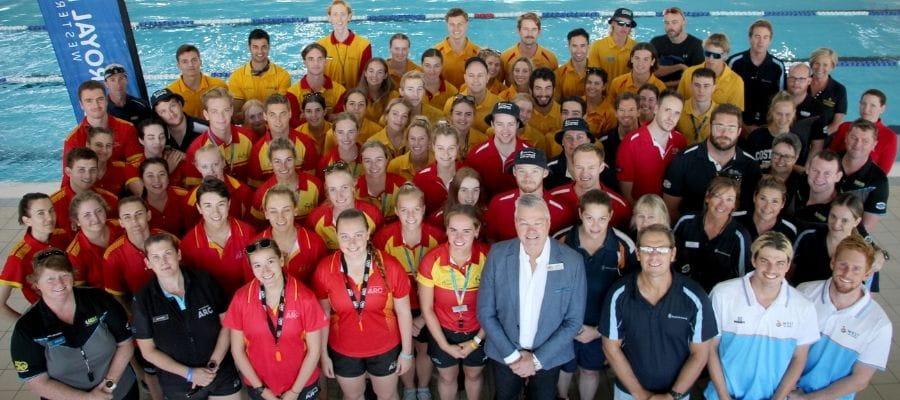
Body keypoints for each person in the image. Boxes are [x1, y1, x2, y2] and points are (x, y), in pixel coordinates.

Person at [477, 194, 586, 399]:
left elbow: (573, 320)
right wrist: (512, 356)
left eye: (537, 222)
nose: (531, 230)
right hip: (505, 354)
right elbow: (485, 311)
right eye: (524, 222)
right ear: (516, 223)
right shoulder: (498, 255)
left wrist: (536, 360)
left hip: (548, 357)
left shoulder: (572, 261)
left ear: (549, 222)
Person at [601, 223, 716, 400]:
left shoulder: (695, 297)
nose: (654, 255)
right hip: (629, 392)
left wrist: (672, 396)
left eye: (662, 249)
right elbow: (611, 348)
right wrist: (639, 394)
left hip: (677, 393)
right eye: (647, 248)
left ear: (673, 254)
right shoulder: (619, 293)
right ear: (638, 254)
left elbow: (700, 353)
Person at [313, 208, 414, 400]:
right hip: (344, 349)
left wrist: (407, 353)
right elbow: (323, 317)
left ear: (368, 233)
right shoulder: (325, 269)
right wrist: (323, 354)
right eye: (345, 236)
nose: (352, 243)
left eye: (358, 235)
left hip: (385, 347)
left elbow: (403, 312)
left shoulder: (389, 265)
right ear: (336, 235)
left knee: (388, 396)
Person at [705, 232, 820, 400]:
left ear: (788, 265)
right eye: (764, 261)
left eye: (780, 263)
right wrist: (724, 396)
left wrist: (778, 398)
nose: (771, 270)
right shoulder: (723, 294)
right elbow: (710, 348)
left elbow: (799, 358)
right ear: (753, 261)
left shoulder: (803, 306)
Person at [11, 248, 138, 399]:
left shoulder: (99, 300)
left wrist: (108, 385)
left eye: (64, 275)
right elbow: (37, 382)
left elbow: (125, 343)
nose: (59, 283)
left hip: (119, 388)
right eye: (50, 278)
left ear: (73, 276)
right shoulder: (27, 328)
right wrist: (86, 398)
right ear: (36, 283)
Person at [132, 233, 242, 400]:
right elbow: (148, 351)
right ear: (148, 263)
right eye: (156, 257)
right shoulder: (143, 299)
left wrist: (213, 364)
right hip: (179, 382)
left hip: (220, 371)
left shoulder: (205, 281)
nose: (163, 262)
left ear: (179, 254)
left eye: (168, 253)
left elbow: (227, 324)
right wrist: (190, 374)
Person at [554, 190, 637, 400]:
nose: (595, 225)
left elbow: (630, 295)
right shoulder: (561, 240)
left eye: (602, 219)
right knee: (564, 368)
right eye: (590, 218)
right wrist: (566, 326)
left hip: (600, 327)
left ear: (610, 216)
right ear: (580, 213)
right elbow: (548, 289)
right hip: (564, 325)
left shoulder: (624, 246)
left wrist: (600, 330)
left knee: (590, 370)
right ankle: (561, 396)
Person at [226, 238, 328, 400]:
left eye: (270, 261)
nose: (265, 270)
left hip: (302, 384)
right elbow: (237, 351)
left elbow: (314, 351)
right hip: (260, 384)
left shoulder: (305, 298)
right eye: (257, 265)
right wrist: (262, 390)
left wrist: (294, 393)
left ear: (281, 260)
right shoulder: (240, 298)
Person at [794, 235, 893, 399]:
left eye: (856, 269)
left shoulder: (879, 324)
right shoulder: (804, 293)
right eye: (843, 265)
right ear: (833, 263)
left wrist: (806, 399)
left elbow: (860, 379)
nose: (847, 273)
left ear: (867, 274)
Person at [372, 184, 447, 399]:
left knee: (422, 349)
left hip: (428, 307)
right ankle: (409, 388)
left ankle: (422, 387)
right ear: (396, 211)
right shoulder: (383, 238)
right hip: (396, 308)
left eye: (416, 209)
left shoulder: (438, 236)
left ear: (424, 209)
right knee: (403, 351)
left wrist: (424, 317)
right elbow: (380, 280)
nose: (410, 215)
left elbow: (444, 284)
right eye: (404, 210)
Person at [418, 204, 489, 400]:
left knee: (473, 374)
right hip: (443, 332)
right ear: (446, 230)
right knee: (447, 377)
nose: (459, 237)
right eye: (453, 230)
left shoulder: (488, 257)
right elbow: (427, 308)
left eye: (466, 231)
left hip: (478, 331)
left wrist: (475, 342)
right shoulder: (431, 260)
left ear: (476, 231)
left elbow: (494, 308)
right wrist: (445, 345)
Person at [663, 103, 761, 219]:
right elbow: (670, 209)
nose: (724, 134)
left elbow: (753, 210)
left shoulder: (751, 166)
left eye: (731, 128)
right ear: (710, 127)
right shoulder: (684, 160)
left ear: (739, 132)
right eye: (719, 127)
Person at [673, 176, 753, 292]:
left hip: (719, 298)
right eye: (717, 196)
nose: (722, 204)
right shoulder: (686, 221)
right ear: (707, 197)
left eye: (729, 199)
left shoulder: (740, 236)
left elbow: (744, 278)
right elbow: (667, 255)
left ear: (734, 205)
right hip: (681, 291)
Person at [181, 177, 257, 296]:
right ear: (199, 208)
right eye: (208, 206)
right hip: (211, 305)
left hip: (246, 300)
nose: (215, 212)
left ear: (229, 204)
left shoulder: (247, 233)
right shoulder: (188, 244)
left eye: (220, 204)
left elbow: (256, 276)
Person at [0, 193, 70, 319]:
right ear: (27, 220)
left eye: (51, 211)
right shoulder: (19, 257)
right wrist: (29, 328)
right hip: (49, 316)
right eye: (40, 213)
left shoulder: (62, 235)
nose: (49, 218)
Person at [485, 148, 575, 242]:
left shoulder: (562, 210)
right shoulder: (498, 204)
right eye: (522, 171)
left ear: (545, 173)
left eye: (534, 171)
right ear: (515, 172)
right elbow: (491, 241)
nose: (527, 177)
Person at [617, 91, 687, 205]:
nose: (671, 117)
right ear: (656, 109)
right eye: (667, 110)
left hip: (670, 214)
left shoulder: (680, 141)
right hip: (642, 215)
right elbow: (627, 195)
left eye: (677, 113)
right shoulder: (630, 143)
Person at [63, 80, 142, 176]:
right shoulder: (73, 139)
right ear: (81, 105)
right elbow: (68, 178)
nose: (96, 105)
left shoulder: (127, 128)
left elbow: (137, 164)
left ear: (106, 100)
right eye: (89, 101)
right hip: (91, 186)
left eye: (100, 99)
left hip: (124, 183)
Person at [791, 193, 872, 286]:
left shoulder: (862, 252)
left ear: (856, 222)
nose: (836, 224)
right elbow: (789, 269)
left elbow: (864, 289)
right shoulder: (808, 236)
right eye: (833, 216)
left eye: (844, 220)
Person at [254, 185, 328, 284]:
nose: (280, 217)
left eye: (286, 210)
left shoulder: (316, 243)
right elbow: (253, 287)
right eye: (273, 211)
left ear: (295, 210)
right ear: (266, 214)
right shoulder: (254, 247)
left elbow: (322, 283)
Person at [102, 197, 167, 309]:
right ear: (121, 222)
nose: (134, 221)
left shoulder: (168, 240)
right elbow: (117, 296)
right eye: (127, 217)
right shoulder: (111, 256)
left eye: (139, 214)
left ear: (148, 215)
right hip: (142, 311)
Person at [184, 88, 255, 186]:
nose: (221, 117)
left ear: (231, 111)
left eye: (225, 110)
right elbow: (195, 189)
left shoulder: (249, 137)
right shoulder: (196, 148)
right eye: (214, 111)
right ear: (206, 115)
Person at [306, 160, 384, 249]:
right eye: (333, 189)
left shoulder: (372, 213)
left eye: (344, 187)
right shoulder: (315, 218)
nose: (339, 195)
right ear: (327, 190)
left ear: (354, 184)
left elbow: (379, 244)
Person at [550, 143, 631, 229]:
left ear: (601, 167)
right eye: (579, 167)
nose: (585, 174)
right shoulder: (551, 198)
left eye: (591, 167)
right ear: (572, 167)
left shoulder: (620, 207)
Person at [247, 94, 320, 188]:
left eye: (283, 114)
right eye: (272, 115)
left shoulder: (306, 143)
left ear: (290, 113)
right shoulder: (257, 150)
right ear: (265, 116)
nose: (278, 120)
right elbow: (256, 189)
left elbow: (311, 184)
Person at [727, 20, 787, 129]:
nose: (761, 41)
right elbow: (726, 94)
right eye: (757, 36)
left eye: (765, 37)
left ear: (770, 40)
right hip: (738, 123)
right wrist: (741, 125)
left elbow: (781, 99)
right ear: (750, 38)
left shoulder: (777, 66)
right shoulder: (734, 62)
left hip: (766, 124)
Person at [250, 137, 323, 225]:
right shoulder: (261, 194)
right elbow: (259, 227)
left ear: (295, 159)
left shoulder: (316, 185)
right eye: (277, 161)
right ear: (270, 163)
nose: (283, 167)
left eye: (288, 160)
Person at [466, 101, 531, 198]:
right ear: (492, 124)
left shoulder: (530, 154)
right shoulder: (476, 155)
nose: (505, 129)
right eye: (500, 124)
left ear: (517, 124)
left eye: (510, 124)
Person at [52, 148, 120, 239]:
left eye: (92, 170)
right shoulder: (53, 205)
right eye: (81, 170)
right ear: (68, 172)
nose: (88, 176)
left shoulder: (110, 200)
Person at [836, 119, 889, 232]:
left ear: (874, 145)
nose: (858, 144)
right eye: (854, 138)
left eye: (865, 141)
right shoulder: (829, 162)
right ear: (846, 137)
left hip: (849, 237)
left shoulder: (878, 180)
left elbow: (867, 227)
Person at [828, 89, 897, 174]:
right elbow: (830, 154)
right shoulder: (845, 127)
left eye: (873, 105)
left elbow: (883, 172)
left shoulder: (889, 136)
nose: (866, 109)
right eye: (863, 104)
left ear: (882, 108)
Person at [63, 191, 121, 290]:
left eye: (99, 211)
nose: (95, 218)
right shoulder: (74, 254)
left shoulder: (121, 226)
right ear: (77, 221)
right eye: (87, 215)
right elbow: (81, 290)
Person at [742, 91, 816, 168]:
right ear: (771, 111)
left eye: (788, 114)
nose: (783, 119)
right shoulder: (756, 136)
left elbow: (800, 170)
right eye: (779, 114)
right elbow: (746, 167)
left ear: (794, 113)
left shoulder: (798, 140)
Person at [227, 29, 291, 115]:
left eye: (263, 47)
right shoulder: (236, 77)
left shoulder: (283, 76)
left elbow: (281, 109)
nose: (260, 51)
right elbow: (236, 113)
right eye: (255, 47)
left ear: (269, 47)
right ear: (249, 48)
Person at [676, 33, 745, 111]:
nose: (710, 59)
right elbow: (678, 103)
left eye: (716, 56)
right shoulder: (689, 73)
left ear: (725, 56)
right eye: (708, 54)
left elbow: (735, 115)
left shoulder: (736, 82)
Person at [187, 143, 254, 222]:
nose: (211, 171)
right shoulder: (190, 200)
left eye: (215, 164)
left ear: (223, 162)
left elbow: (250, 225)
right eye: (204, 167)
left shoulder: (243, 192)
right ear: (197, 167)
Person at [317, 0, 372, 89]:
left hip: (355, 97)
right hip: (330, 97)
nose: (339, 19)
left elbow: (366, 78)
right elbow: (318, 75)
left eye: (343, 14)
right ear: (329, 17)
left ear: (349, 16)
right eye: (335, 14)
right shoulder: (320, 45)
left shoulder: (364, 45)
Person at [166, 44, 228, 118]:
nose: (190, 65)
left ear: (200, 62)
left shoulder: (218, 86)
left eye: (194, 60)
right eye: (185, 61)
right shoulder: (171, 92)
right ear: (178, 66)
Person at [650, 7, 705, 89]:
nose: (670, 27)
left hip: (684, 90)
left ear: (684, 22)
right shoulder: (656, 42)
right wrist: (679, 67)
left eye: (674, 22)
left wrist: (664, 85)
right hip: (658, 90)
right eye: (667, 23)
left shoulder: (697, 46)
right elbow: (651, 71)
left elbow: (696, 80)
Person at [287, 43, 346, 118]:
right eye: (311, 59)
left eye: (320, 58)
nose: (316, 63)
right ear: (304, 62)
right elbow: (293, 123)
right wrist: (329, 116)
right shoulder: (293, 93)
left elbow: (341, 122)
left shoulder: (340, 91)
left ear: (325, 61)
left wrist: (305, 116)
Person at [443, 57, 500, 134]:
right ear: (465, 78)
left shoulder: (499, 105)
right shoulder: (451, 103)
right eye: (471, 75)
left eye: (480, 75)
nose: (475, 79)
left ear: (487, 77)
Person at [788, 150, 844, 230]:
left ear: (838, 177)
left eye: (827, 173)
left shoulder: (841, 208)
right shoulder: (799, 182)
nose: (819, 177)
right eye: (815, 170)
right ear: (807, 169)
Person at [413, 122, 460, 212]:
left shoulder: (468, 174)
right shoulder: (420, 178)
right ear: (433, 147)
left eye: (451, 148)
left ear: (457, 147)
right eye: (440, 148)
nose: (446, 154)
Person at [140, 157, 193, 237]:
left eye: (161, 174)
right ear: (142, 181)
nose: (157, 180)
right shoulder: (138, 205)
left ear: (168, 178)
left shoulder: (184, 196)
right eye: (150, 176)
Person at [736, 176, 798, 242]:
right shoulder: (734, 219)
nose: (767, 207)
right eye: (763, 199)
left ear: (782, 204)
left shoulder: (789, 231)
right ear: (755, 197)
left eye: (775, 201)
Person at [501, 12, 558, 82]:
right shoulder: (505, 57)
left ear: (539, 32)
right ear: (518, 31)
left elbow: (555, 87)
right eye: (525, 29)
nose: (529, 33)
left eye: (534, 29)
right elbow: (497, 87)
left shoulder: (550, 58)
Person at [86, 127, 142, 197]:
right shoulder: (79, 171)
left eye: (108, 146)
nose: (104, 150)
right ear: (88, 145)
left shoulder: (123, 168)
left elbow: (139, 193)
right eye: (99, 145)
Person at [357, 140, 407, 219]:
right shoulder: (354, 188)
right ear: (362, 162)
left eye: (379, 160)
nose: (374, 165)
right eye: (368, 161)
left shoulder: (401, 185)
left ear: (387, 160)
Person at [433, 8, 481, 88]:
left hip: (470, 99)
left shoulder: (477, 53)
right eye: (452, 24)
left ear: (466, 24)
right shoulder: (436, 52)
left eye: (460, 24)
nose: (456, 28)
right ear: (447, 25)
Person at [150, 88, 209, 153]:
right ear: (158, 115)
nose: (171, 113)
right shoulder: (157, 135)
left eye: (172, 106)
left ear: (180, 104)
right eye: (163, 111)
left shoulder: (205, 129)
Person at [136, 117, 188, 186]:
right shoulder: (134, 166)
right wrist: (165, 171)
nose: (158, 142)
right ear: (141, 140)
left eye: (161, 137)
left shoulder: (177, 159)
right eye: (151, 138)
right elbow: (140, 194)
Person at [588, 8, 637, 81]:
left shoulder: (636, 47)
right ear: (613, 23)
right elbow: (593, 75)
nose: (624, 27)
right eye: (620, 23)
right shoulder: (597, 46)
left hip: (628, 91)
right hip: (604, 91)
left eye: (628, 25)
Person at [807, 48, 847, 135]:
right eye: (817, 63)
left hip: (824, 136)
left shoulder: (839, 90)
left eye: (825, 65)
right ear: (811, 64)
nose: (820, 68)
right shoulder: (802, 83)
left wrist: (819, 136)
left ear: (832, 66)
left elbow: (836, 124)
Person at [675, 67, 718, 145]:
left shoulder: (721, 113)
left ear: (714, 88)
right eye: (697, 85)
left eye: (706, 86)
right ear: (691, 85)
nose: (701, 90)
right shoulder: (678, 108)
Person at [598, 92, 640, 168]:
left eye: (631, 110)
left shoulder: (651, 139)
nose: (626, 114)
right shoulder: (604, 142)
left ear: (638, 112)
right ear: (615, 113)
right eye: (621, 110)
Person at [316, 113, 364, 177]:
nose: (346, 137)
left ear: (358, 132)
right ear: (334, 133)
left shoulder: (368, 156)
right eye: (340, 132)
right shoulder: (326, 162)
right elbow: (322, 185)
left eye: (351, 132)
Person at [390, 116, 435, 181]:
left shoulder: (439, 164)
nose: (416, 143)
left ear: (429, 141)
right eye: (412, 138)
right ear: (407, 141)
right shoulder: (394, 165)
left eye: (421, 138)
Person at [357, 57, 398, 123]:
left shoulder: (394, 96)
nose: (374, 75)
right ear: (365, 73)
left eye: (379, 72)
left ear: (385, 75)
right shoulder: (356, 96)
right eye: (371, 71)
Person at [555, 28, 590, 99]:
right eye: (574, 46)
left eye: (582, 46)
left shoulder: (598, 70)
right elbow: (556, 102)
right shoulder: (559, 74)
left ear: (588, 46)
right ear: (568, 47)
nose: (578, 50)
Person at [583, 67, 616, 134]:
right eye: (589, 82)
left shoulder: (610, 114)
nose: (592, 87)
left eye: (597, 83)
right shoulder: (576, 103)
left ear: (604, 86)